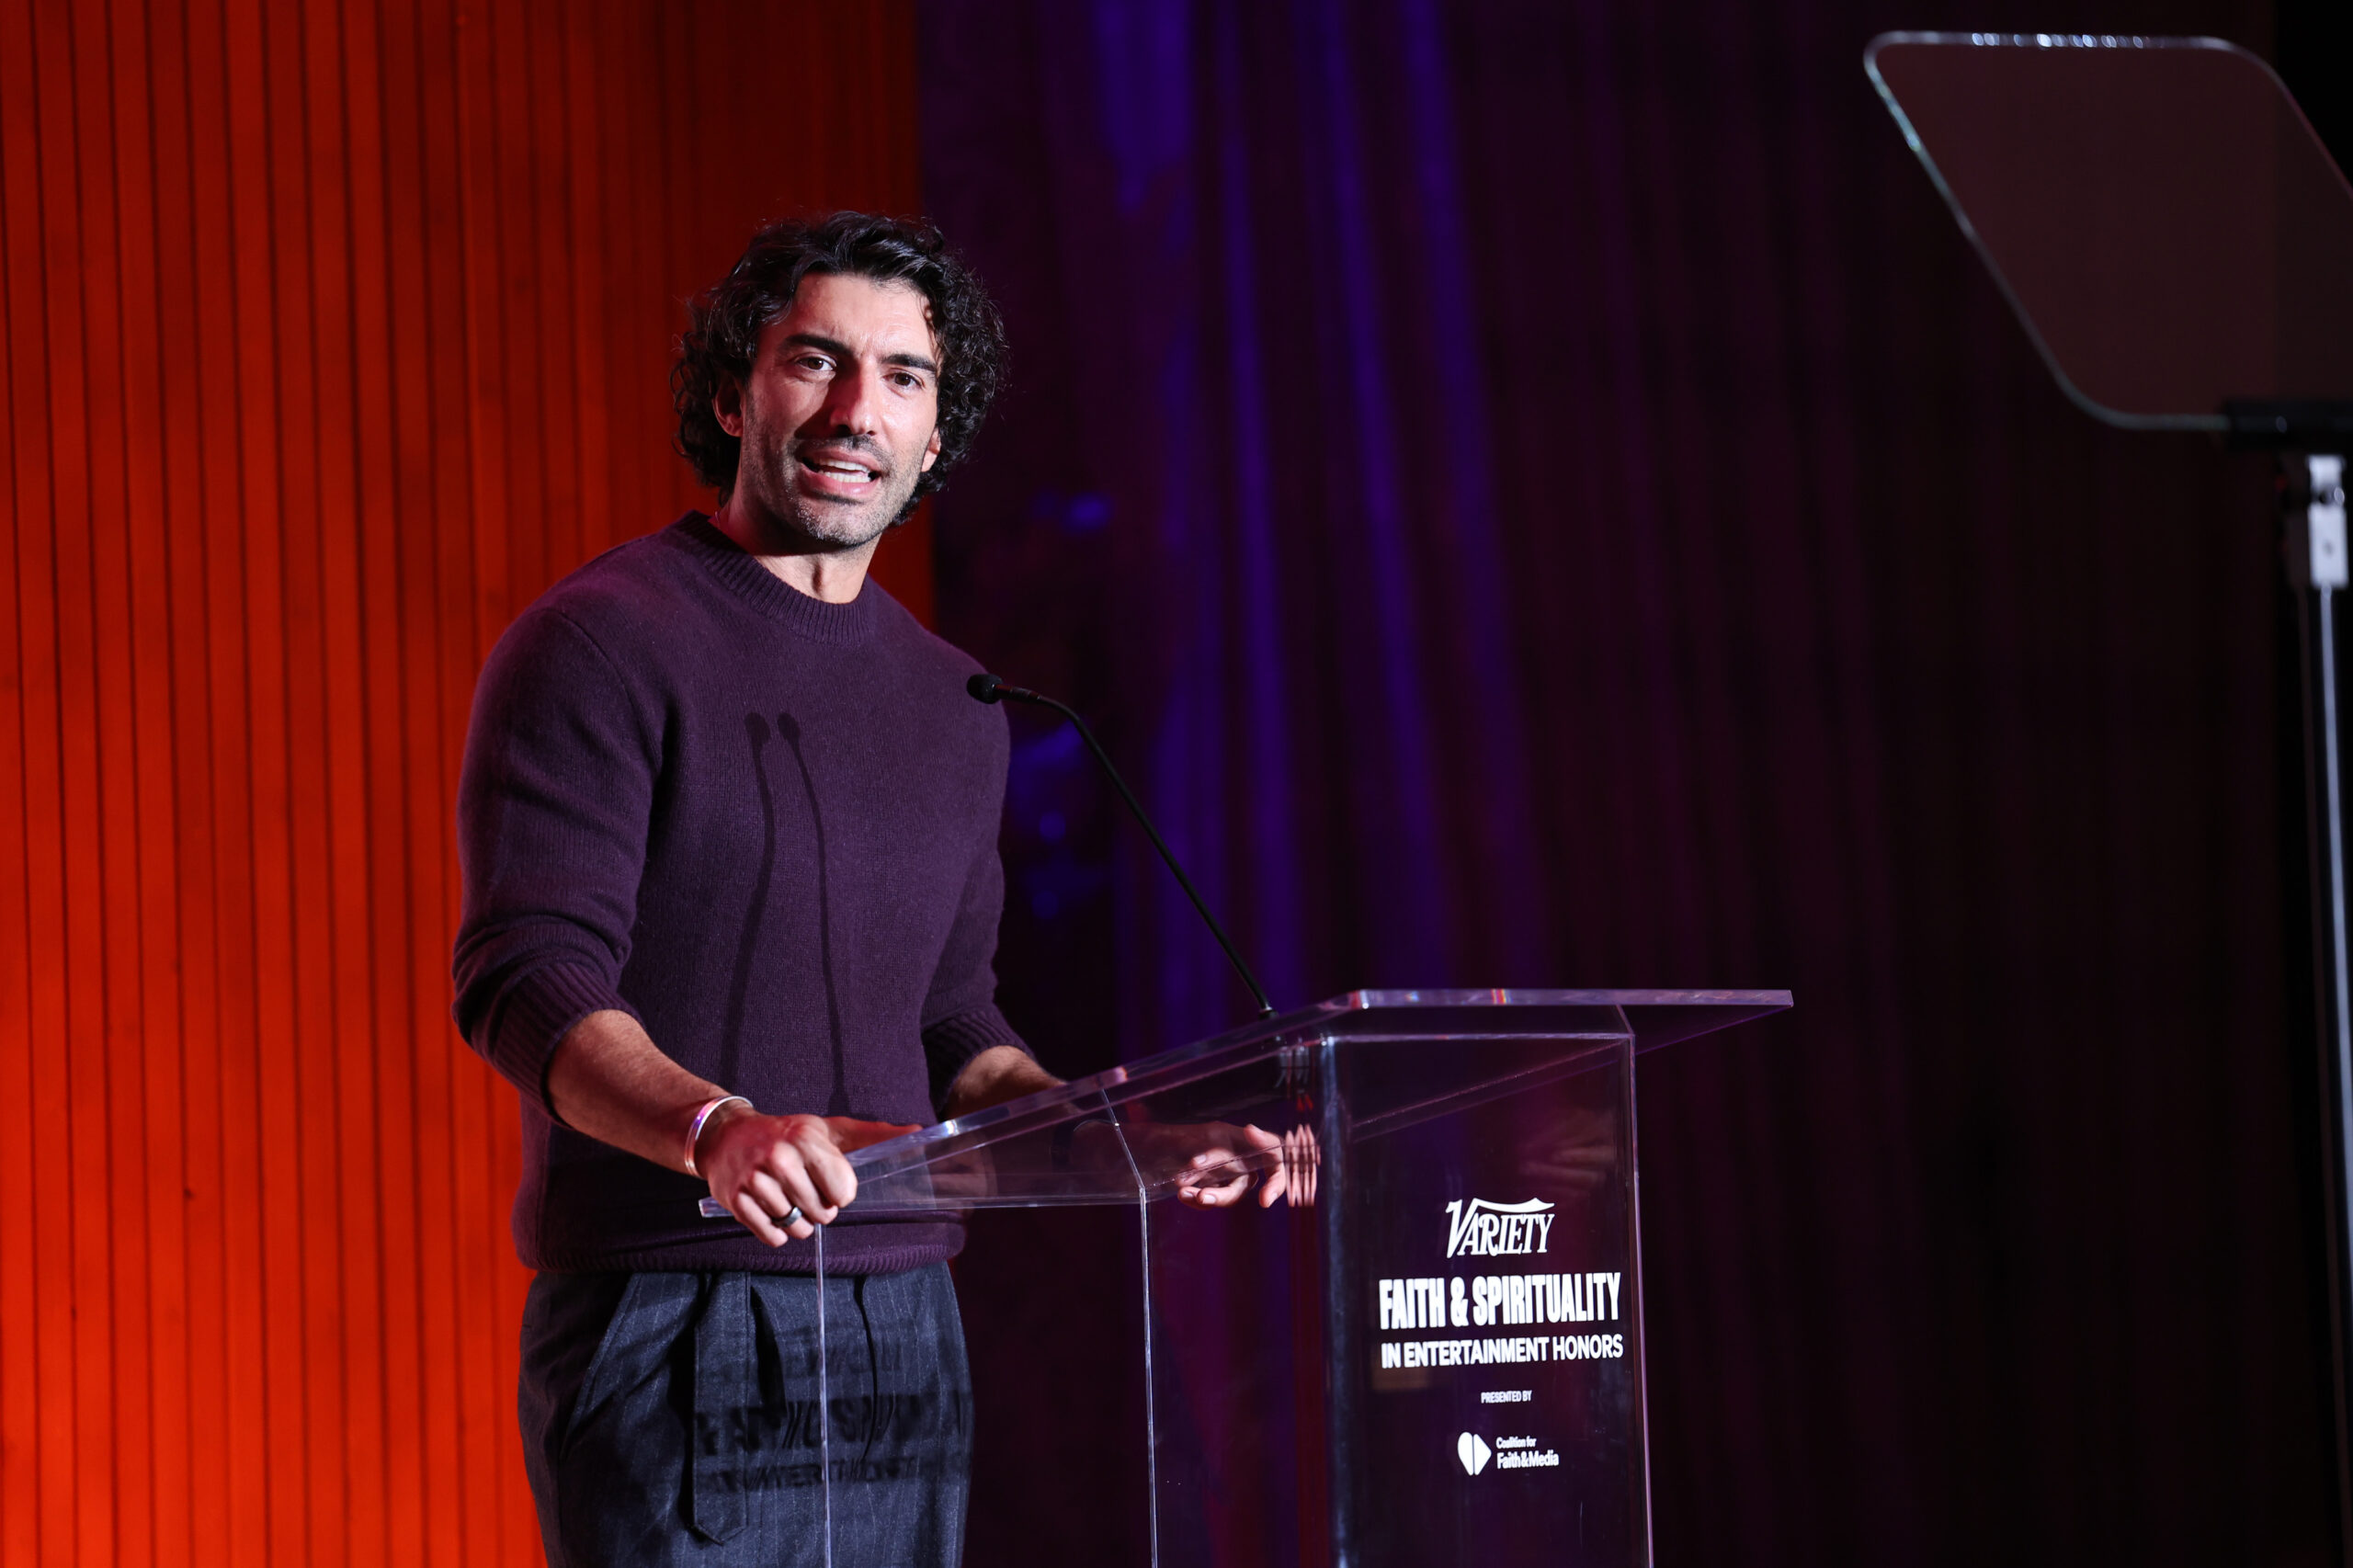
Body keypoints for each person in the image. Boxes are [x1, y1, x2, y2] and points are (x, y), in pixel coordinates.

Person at [450, 212, 1288, 1568]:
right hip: (679, 1307)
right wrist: (714, 1128)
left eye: (904, 377)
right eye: (815, 361)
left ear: (937, 433)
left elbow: (955, 1024)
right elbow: (527, 979)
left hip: (906, 1321)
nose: (857, 411)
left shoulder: (958, 702)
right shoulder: (599, 645)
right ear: (734, 395)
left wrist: (1113, 1137)